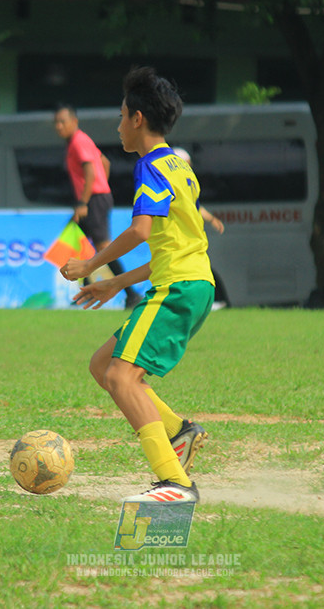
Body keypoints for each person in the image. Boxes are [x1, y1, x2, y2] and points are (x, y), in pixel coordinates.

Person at [60, 67, 213, 504]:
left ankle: (175, 482)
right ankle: (180, 432)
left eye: (122, 115)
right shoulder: (179, 168)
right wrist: (114, 283)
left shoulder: (149, 167)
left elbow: (141, 231)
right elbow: (170, 247)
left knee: (121, 377)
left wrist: (92, 262)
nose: (118, 125)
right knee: (102, 364)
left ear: (138, 118)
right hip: (193, 282)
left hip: (178, 288)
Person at [53, 104, 142, 307]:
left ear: (74, 122)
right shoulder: (81, 140)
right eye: (56, 123)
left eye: (62, 121)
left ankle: (131, 294)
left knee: (103, 247)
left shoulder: (77, 141)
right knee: (80, 241)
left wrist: (85, 201)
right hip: (97, 197)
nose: (58, 126)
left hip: (93, 200)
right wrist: (103, 186)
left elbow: (91, 171)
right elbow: (105, 162)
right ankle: (84, 294)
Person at [173, 148, 225, 235]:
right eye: (186, 165)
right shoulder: (171, 183)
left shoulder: (188, 183)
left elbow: (193, 205)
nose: (188, 169)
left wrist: (211, 219)